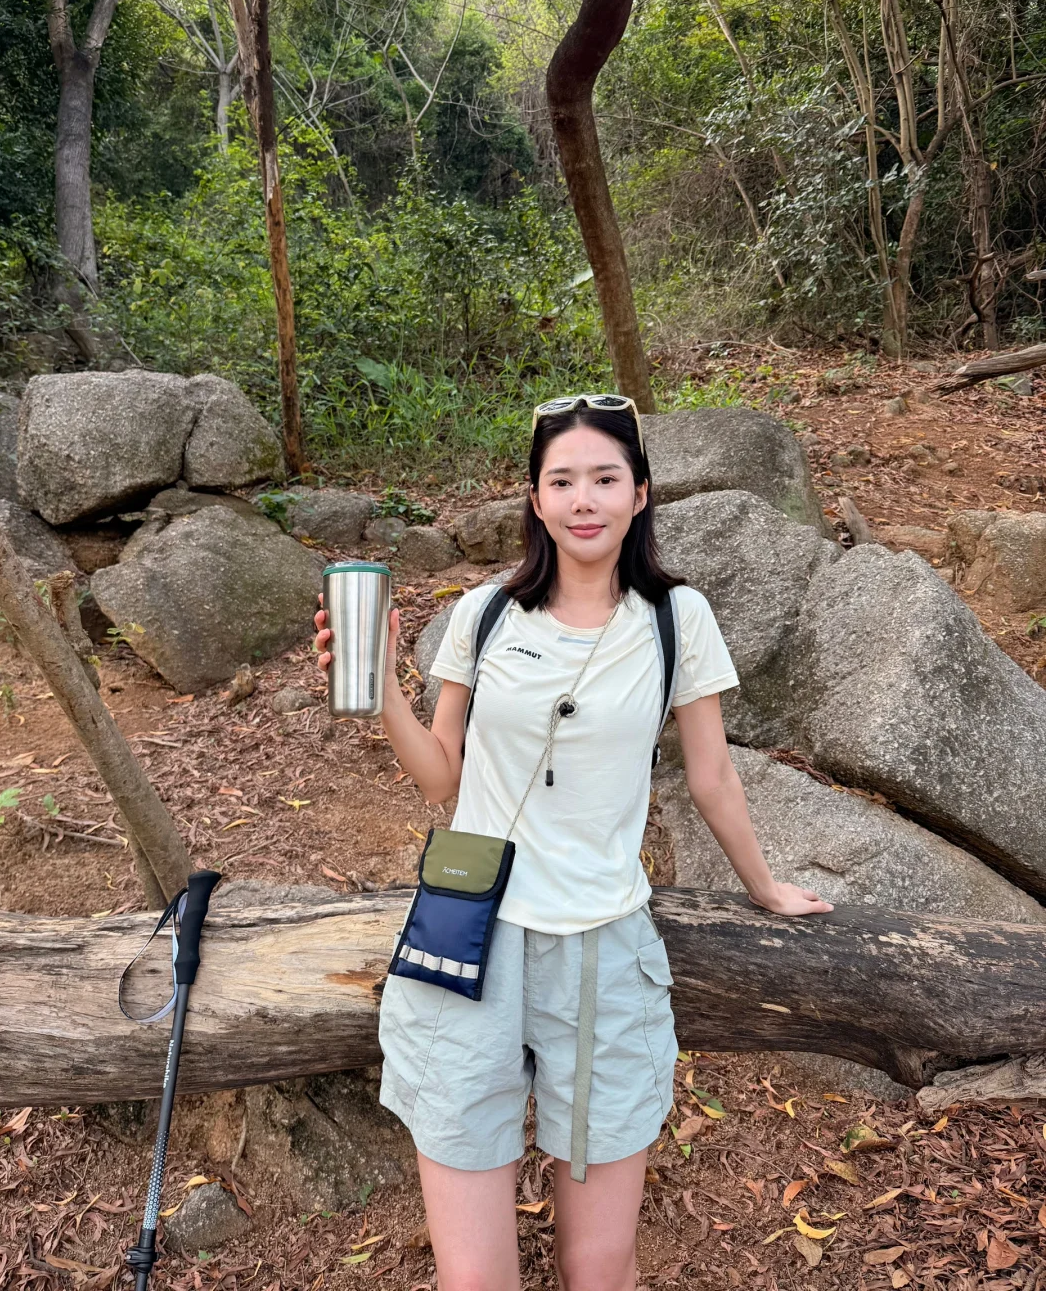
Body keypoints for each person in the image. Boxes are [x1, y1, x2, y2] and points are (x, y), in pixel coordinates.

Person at [314, 393, 834, 1291]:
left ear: (639, 494)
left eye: (604, 478)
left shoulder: (676, 619)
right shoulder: (483, 615)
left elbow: (712, 776)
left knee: (600, 1267)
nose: (583, 498)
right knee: (475, 1278)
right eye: (563, 480)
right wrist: (377, 685)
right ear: (535, 497)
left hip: (605, 949)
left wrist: (766, 886)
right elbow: (443, 777)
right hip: (468, 944)